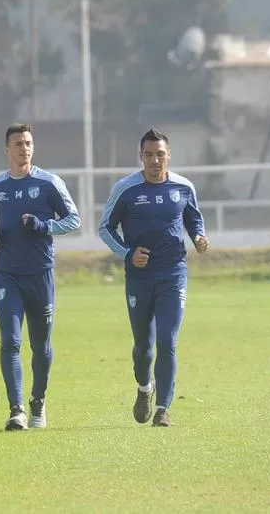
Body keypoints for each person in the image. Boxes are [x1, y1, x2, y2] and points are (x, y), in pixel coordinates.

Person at [0, 123, 81, 431]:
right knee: (10, 340)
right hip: (8, 275)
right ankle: (16, 409)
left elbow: (73, 219)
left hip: (40, 275)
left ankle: (38, 400)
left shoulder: (49, 183)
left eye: (28, 142)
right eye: (18, 143)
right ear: (7, 149)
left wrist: (43, 225)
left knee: (40, 344)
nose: (25, 147)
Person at [99, 128, 208, 427]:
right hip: (139, 277)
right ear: (141, 157)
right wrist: (127, 253)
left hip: (173, 273)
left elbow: (194, 219)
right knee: (143, 347)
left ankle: (163, 408)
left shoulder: (184, 187)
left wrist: (199, 237)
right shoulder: (126, 189)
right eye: (149, 155)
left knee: (167, 340)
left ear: (168, 155)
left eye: (160, 154)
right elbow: (105, 228)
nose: (155, 160)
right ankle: (145, 388)